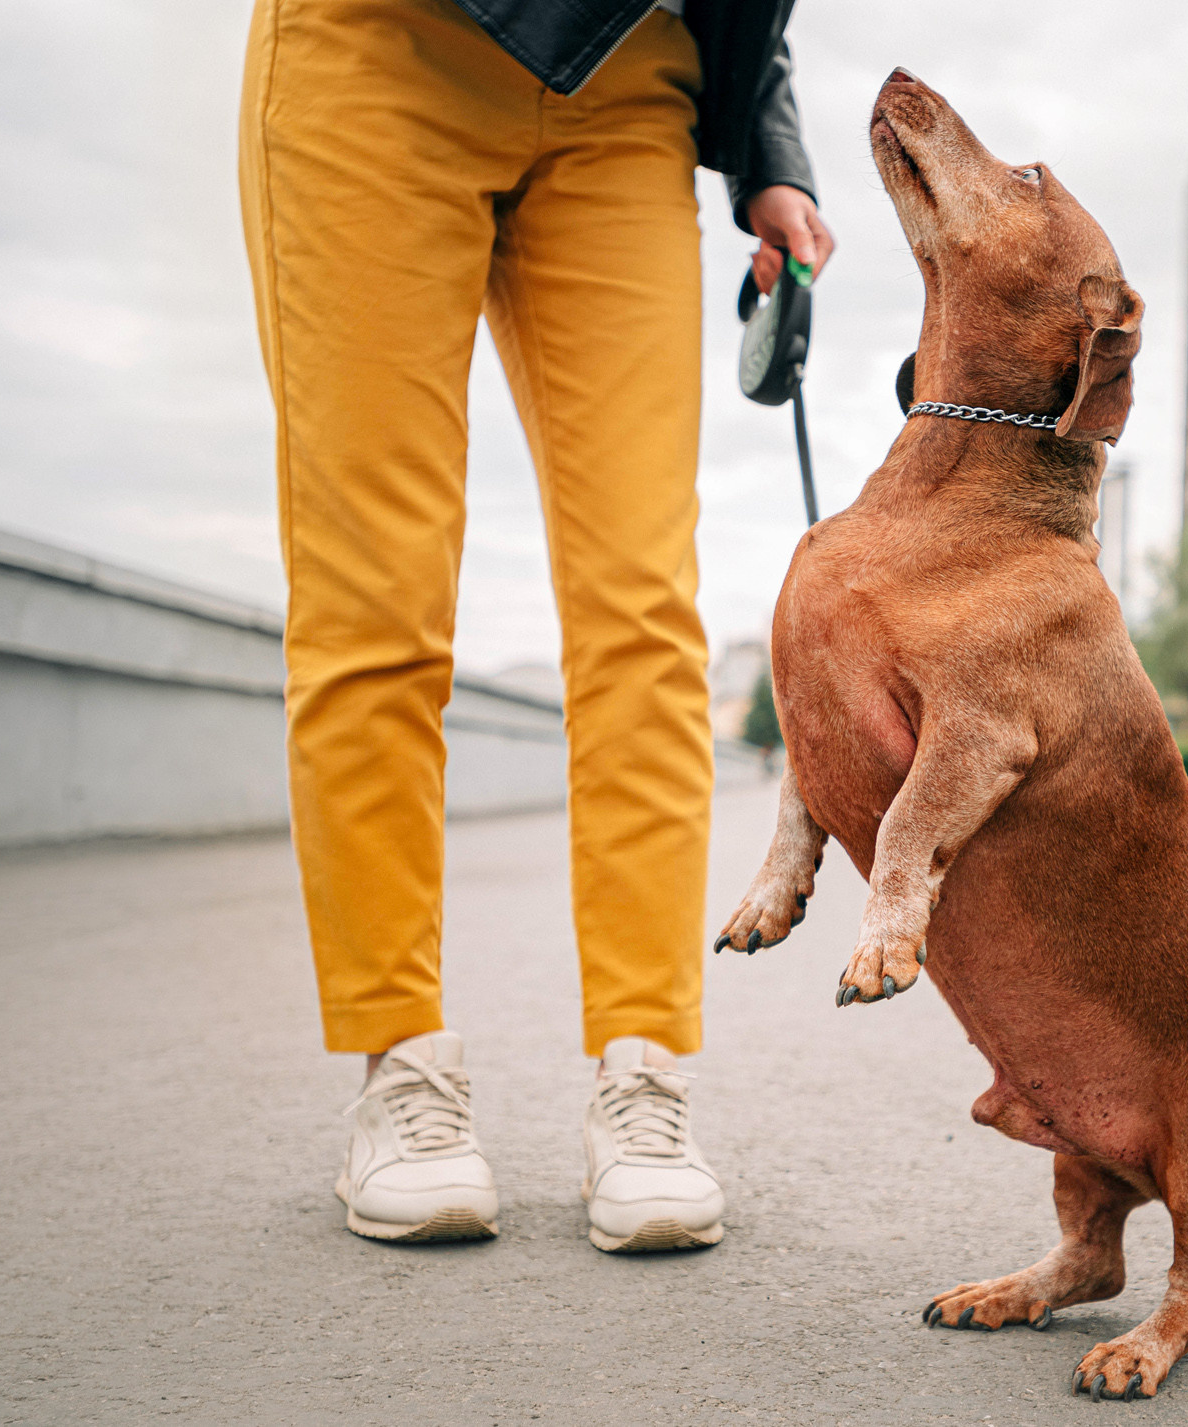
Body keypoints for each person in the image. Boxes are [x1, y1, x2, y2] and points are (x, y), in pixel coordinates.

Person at [237, 0, 832, 1247]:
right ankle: (401, 1065)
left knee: (644, 610)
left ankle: (645, 1075)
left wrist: (767, 143)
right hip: (378, 49)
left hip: (633, 75)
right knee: (377, 598)